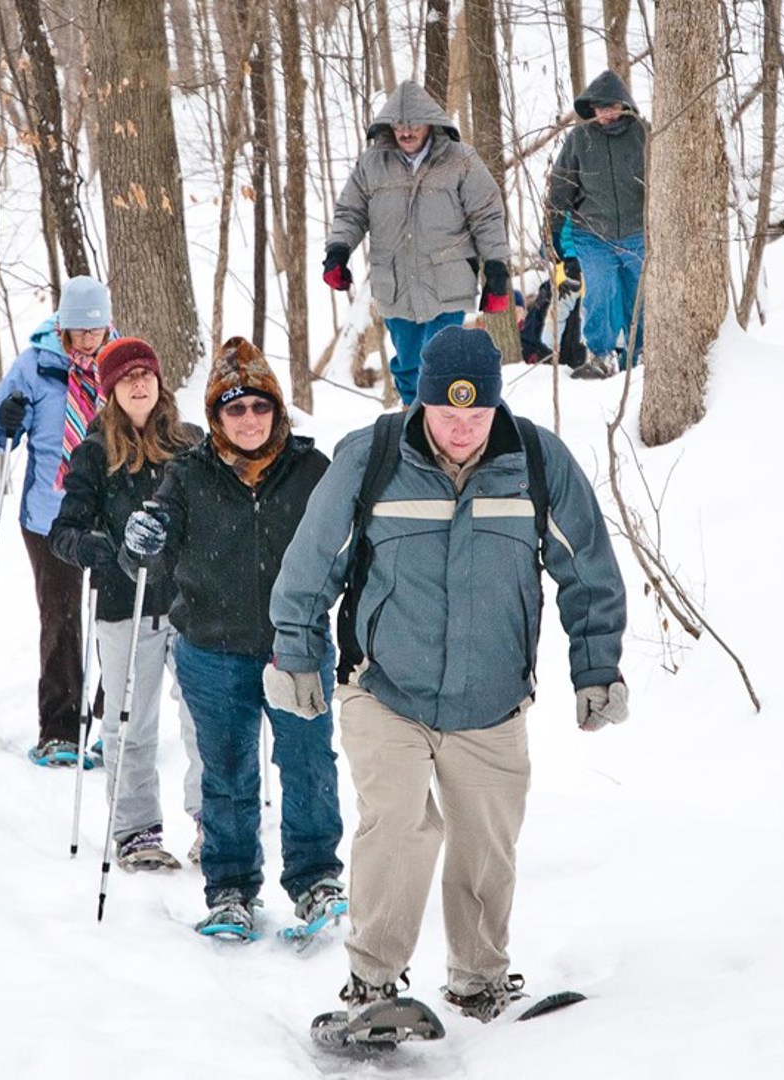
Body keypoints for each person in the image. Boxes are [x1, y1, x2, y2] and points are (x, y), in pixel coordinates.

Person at [267, 327, 629, 1036]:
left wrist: (596, 666)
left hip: (492, 698)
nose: (462, 430)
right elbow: (311, 564)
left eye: (476, 415)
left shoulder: (533, 459)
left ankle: (478, 981)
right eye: (447, 414)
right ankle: (371, 984)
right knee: (399, 823)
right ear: (420, 402)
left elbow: (587, 567)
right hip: (384, 688)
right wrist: (298, 653)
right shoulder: (371, 457)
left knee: (486, 842)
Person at [120, 337, 347, 937]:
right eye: (234, 408)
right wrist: (137, 540)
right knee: (225, 773)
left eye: (260, 407)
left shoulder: (311, 471)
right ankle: (230, 889)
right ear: (217, 415)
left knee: (307, 766)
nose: (249, 420)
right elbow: (147, 552)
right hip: (212, 650)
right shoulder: (187, 473)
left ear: (277, 409)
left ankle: (316, 879)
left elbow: (346, 551)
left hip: (295, 647)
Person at [46, 338, 204, 869]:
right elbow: (62, 531)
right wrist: (95, 547)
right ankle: (136, 829)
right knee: (130, 722)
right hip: (124, 604)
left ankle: (215, 823)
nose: (139, 383)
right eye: (127, 377)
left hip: (188, 602)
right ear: (111, 389)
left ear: (159, 384)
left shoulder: (188, 445)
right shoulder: (93, 453)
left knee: (205, 718)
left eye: (147, 374)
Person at [0, 275, 113, 768]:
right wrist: (5, 419)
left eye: (96, 331)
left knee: (114, 621)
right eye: (79, 332)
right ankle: (59, 729)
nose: (88, 341)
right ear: (62, 326)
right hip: (48, 515)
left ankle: (110, 724)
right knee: (60, 618)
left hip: (108, 514)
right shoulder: (35, 365)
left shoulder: (120, 364)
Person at [323, 81, 512, 408]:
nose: (406, 131)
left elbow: (487, 215)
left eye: (413, 124)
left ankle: (441, 416)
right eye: (399, 125)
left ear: (431, 123)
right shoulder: (372, 164)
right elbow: (350, 211)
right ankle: (412, 415)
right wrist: (338, 252)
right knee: (407, 361)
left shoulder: (461, 161)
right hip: (395, 284)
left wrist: (496, 270)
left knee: (439, 358)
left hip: (447, 281)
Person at [545, 70, 648, 381]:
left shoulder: (644, 134)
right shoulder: (579, 139)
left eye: (611, 106)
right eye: (599, 107)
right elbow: (561, 188)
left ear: (623, 104)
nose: (605, 113)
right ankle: (600, 355)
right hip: (592, 234)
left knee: (639, 297)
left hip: (637, 231)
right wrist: (556, 236)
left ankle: (641, 354)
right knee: (600, 294)